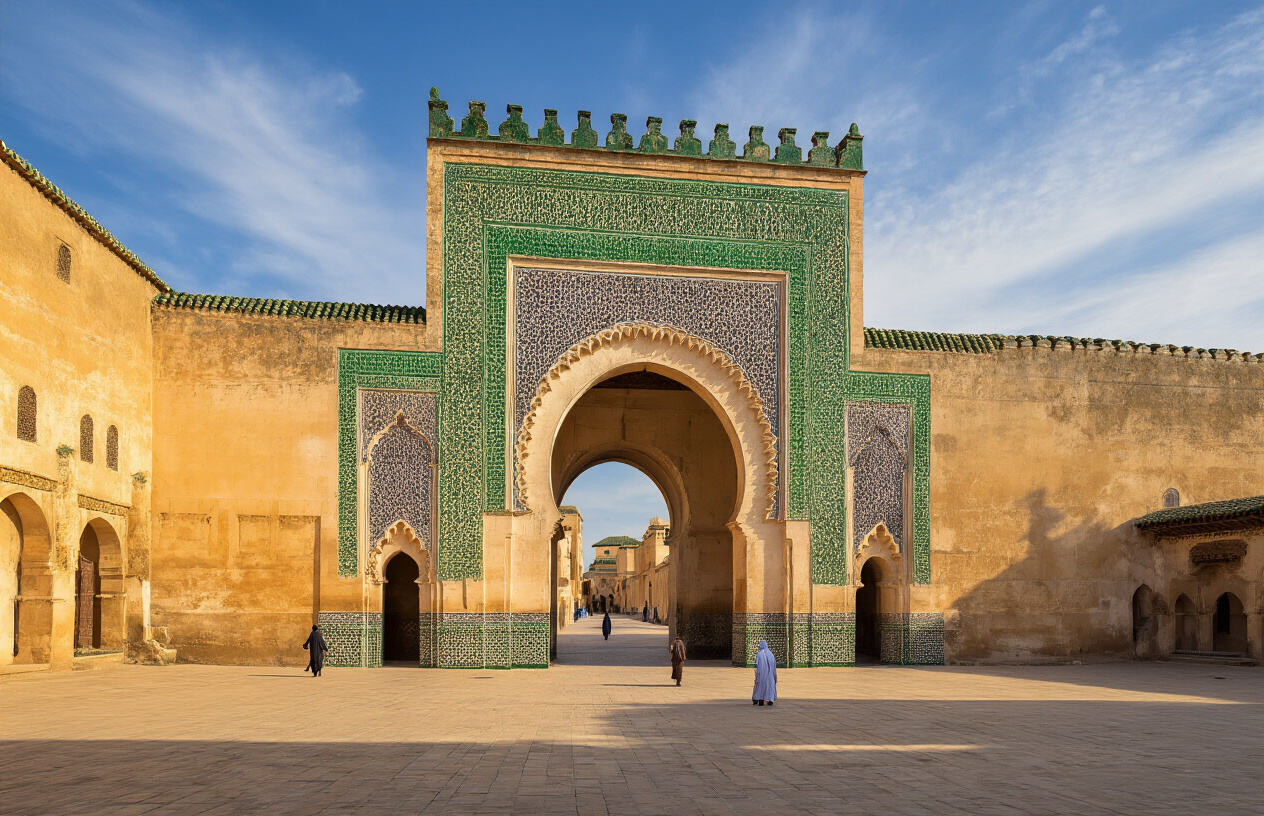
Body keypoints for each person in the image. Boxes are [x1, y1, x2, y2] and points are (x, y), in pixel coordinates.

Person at [752, 640, 777, 705]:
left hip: (762, 674)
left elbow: (757, 664)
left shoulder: (760, 653)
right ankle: (770, 700)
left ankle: (760, 700)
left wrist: (757, 672)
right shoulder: (771, 654)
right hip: (770, 675)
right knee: (770, 687)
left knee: (761, 687)